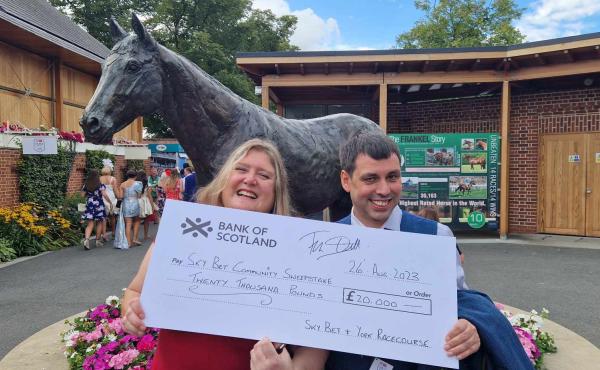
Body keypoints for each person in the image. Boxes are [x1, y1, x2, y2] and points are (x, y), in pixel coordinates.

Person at [327, 132, 533, 370]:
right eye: (371, 179)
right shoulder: (324, 241)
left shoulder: (436, 236)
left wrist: (470, 325)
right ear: (345, 180)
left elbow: (460, 301)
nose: (384, 190)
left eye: (392, 177)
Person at [121, 139, 328, 370]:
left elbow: (314, 344)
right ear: (224, 178)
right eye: (240, 169)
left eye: (264, 175)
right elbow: (135, 291)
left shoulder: (297, 246)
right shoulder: (183, 230)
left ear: (276, 189)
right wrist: (132, 311)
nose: (250, 179)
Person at [81, 169, 111, 250]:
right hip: (99, 204)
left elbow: (82, 195)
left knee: (90, 224)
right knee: (100, 222)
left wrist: (89, 195)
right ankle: (97, 241)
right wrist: (110, 202)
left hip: (90, 204)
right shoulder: (100, 185)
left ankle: (86, 240)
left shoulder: (86, 185)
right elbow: (104, 195)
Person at [119, 170, 143, 247]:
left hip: (126, 203)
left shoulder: (122, 184)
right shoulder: (138, 184)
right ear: (135, 176)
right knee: (137, 221)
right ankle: (135, 238)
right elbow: (139, 196)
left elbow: (121, 196)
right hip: (135, 203)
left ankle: (128, 242)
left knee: (128, 223)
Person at [100, 166, 119, 241]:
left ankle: (104, 234)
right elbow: (115, 190)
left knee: (103, 217)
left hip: (102, 197)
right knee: (113, 216)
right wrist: (119, 197)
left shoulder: (100, 178)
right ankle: (113, 232)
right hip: (111, 197)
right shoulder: (113, 179)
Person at [136, 170, 156, 241]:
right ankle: (145, 235)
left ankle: (136, 236)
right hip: (145, 201)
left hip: (137, 201)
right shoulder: (147, 184)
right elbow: (149, 196)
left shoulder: (135, 184)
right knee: (146, 220)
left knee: (137, 220)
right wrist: (152, 205)